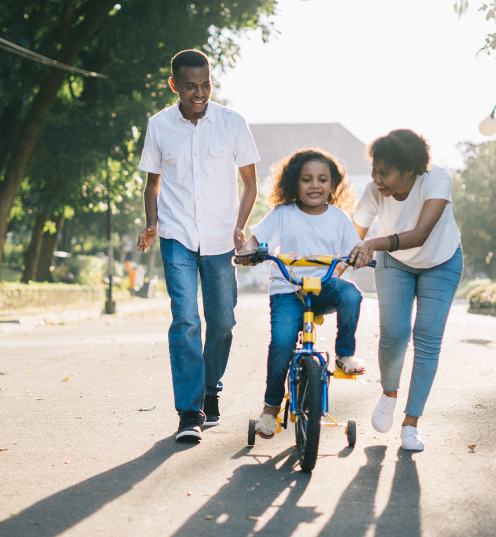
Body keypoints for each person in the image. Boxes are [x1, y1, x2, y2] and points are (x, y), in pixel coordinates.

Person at [136, 49, 260, 443]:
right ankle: (189, 412)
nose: (200, 93)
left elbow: (250, 183)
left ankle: (210, 390)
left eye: (205, 84)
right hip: (176, 237)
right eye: (190, 86)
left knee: (222, 322)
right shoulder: (159, 126)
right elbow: (152, 183)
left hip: (222, 238)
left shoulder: (232, 123)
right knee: (186, 319)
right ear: (174, 85)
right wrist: (152, 224)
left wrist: (240, 226)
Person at [237, 149, 365, 439]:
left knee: (352, 295)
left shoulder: (340, 218)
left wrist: (359, 256)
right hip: (287, 291)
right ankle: (271, 408)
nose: (315, 185)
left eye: (322, 179)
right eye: (307, 179)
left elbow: (354, 249)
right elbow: (255, 241)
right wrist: (248, 252)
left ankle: (344, 355)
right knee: (282, 343)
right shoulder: (283, 214)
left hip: (323, 288)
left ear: (333, 185)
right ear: (295, 183)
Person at [349, 129, 463, 451]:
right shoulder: (374, 191)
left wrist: (372, 243)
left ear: (409, 169)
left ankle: (411, 424)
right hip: (394, 263)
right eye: (374, 169)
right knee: (395, 333)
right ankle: (388, 393)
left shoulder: (436, 180)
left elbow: (421, 233)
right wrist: (333, 269)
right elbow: (351, 237)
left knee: (427, 337)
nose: (376, 178)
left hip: (441, 260)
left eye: (385, 171)